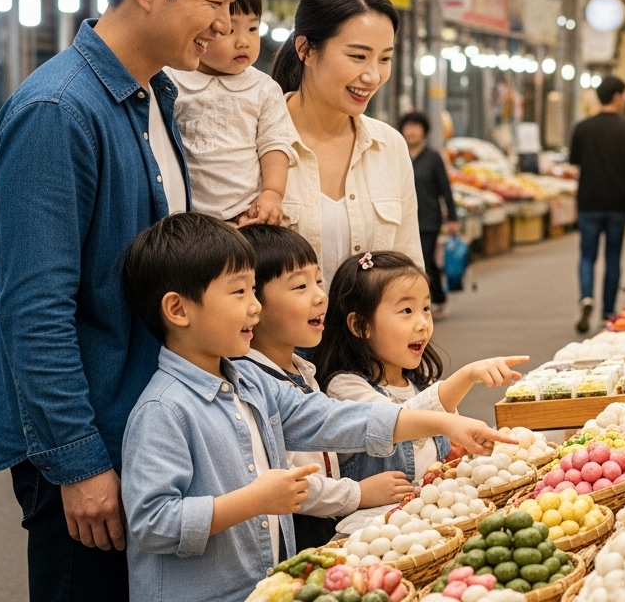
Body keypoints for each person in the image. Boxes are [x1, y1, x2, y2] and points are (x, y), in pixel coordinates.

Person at [0, 0, 264, 601]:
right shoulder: (58, 111)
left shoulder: (153, 100)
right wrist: (78, 464)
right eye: (216, 0)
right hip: (94, 440)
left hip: (153, 428)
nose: (227, 25)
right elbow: (34, 310)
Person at [118, 214, 510, 602]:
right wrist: (253, 501)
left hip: (263, 585)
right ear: (178, 310)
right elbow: (153, 523)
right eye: (239, 293)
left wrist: (441, 421)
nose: (255, 307)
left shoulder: (252, 382)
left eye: (255, 291)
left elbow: (331, 418)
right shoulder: (163, 410)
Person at [235, 224, 414, 550]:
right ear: (253, 303)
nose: (320, 295)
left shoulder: (303, 370)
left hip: (325, 522)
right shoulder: (252, 381)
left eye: (318, 281)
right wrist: (357, 493)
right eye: (300, 286)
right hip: (296, 531)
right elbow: (286, 482)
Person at [312, 250, 528, 484]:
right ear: (360, 325)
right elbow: (397, 422)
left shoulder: (417, 380)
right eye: (407, 311)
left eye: (426, 308)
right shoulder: (346, 388)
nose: (423, 323)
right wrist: (466, 376)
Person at [273, 0, 422, 286]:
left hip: (368, 336)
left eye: (385, 59)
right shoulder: (259, 141)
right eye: (358, 56)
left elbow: (408, 270)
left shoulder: (389, 147)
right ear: (307, 50)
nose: (373, 75)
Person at [165, 0, 292, 226]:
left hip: (246, 214)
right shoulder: (172, 81)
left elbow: (274, 144)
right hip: (186, 218)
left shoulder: (264, 89)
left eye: (253, 29)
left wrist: (272, 193)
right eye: (231, 30)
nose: (243, 41)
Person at [568, 77, 625, 333]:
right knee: (613, 257)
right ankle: (608, 313)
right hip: (617, 202)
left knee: (587, 255)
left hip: (588, 200)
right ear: (617, 96)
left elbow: (575, 162)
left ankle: (587, 296)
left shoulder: (583, 127)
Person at [399, 111, 459, 318]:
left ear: (424, 131)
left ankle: (431, 300)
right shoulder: (397, 156)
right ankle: (429, 300)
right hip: (403, 219)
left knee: (424, 261)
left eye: (416, 127)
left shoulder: (433, 158)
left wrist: (452, 217)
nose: (412, 131)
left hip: (428, 220)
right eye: (408, 127)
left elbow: (445, 188)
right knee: (410, 263)